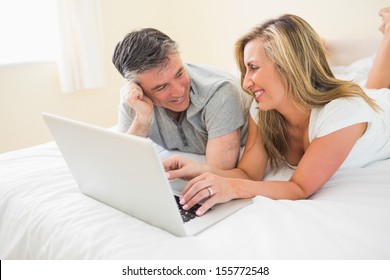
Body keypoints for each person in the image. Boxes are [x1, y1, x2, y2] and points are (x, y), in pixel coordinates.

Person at [163, 12, 390, 216]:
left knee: (374, 90)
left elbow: (298, 188)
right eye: (245, 70)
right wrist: (200, 170)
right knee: (366, 87)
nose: (245, 83)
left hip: (382, 111)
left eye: (253, 68)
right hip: (351, 100)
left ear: (287, 65)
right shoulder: (264, 110)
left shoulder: (343, 113)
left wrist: (231, 187)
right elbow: (249, 173)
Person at [112, 28, 251, 170]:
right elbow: (121, 166)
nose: (179, 91)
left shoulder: (220, 90)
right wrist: (142, 120)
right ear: (136, 86)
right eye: (161, 87)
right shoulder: (134, 99)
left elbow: (219, 173)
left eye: (179, 73)